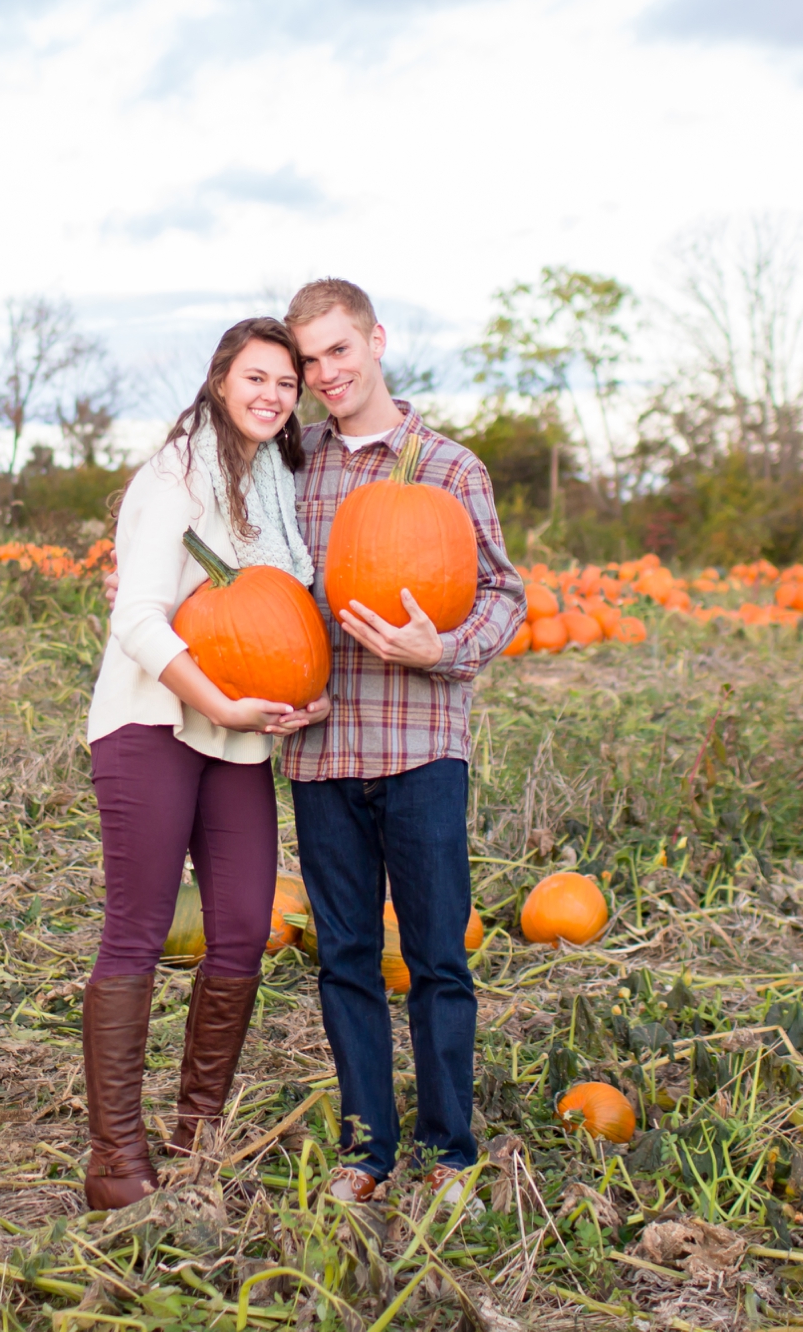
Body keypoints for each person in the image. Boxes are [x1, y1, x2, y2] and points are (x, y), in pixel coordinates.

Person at [280, 278, 524, 1204]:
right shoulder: (291, 469)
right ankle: (365, 1149)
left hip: (421, 743)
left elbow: (505, 593)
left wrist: (445, 647)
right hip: (322, 747)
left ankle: (450, 1146)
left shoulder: (449, 470)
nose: (324, 374)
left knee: (435, 956)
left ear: (376, 340)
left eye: (338, 350)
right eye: (308, 360)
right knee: (343, 956)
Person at [81, 317, 331, 1210]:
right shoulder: (177, 475)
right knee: (139, 932)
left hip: (236, 739)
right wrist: (219, 700)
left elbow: (281, 621)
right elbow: (139, 616)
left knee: (238, 931)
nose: (272, 395)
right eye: (256, 377)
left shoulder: (274, 482)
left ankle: (198, 1134)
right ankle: (116, 1158)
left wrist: (309, 699)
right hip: (153, 724)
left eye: (285, 384)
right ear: (222, 378)